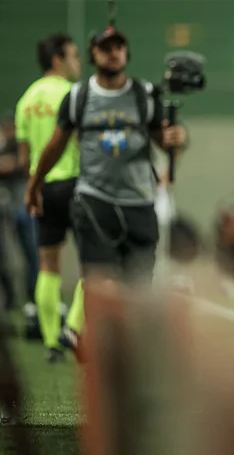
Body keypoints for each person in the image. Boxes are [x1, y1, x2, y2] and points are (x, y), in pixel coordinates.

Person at [24, 25, 187, 300]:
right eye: (106, 48)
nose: (114, 54)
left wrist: (176, 141)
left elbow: (165, 140)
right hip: (94, 203)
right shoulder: (78, 97)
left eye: (118, 48)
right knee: (100, 289)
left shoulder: (144, 95)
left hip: (139, 204)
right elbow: (54, 146)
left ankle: (130, 342)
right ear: (93, 54)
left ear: (126, 53)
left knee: (138, 293)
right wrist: (34, 184)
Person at [14, 33, 85, 362]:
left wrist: (34, 187)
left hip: (42, 189)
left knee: (47, 265)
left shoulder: (26, 100)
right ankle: (72, 326)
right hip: (74, 183)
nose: (77, 63)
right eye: (73, 56)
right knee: (95, 262)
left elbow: (24, 155)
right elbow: (84, 142)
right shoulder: (72, 94)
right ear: (57, 59)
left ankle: (50, 343)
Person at [0, 112, 39, 340]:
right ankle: (12, 302)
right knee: (6, 260)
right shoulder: (6, 146)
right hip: (8, 211)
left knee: (33, 257)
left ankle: (32, 301)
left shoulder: (21, 147)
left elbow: (17, 164)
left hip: (25, 210)